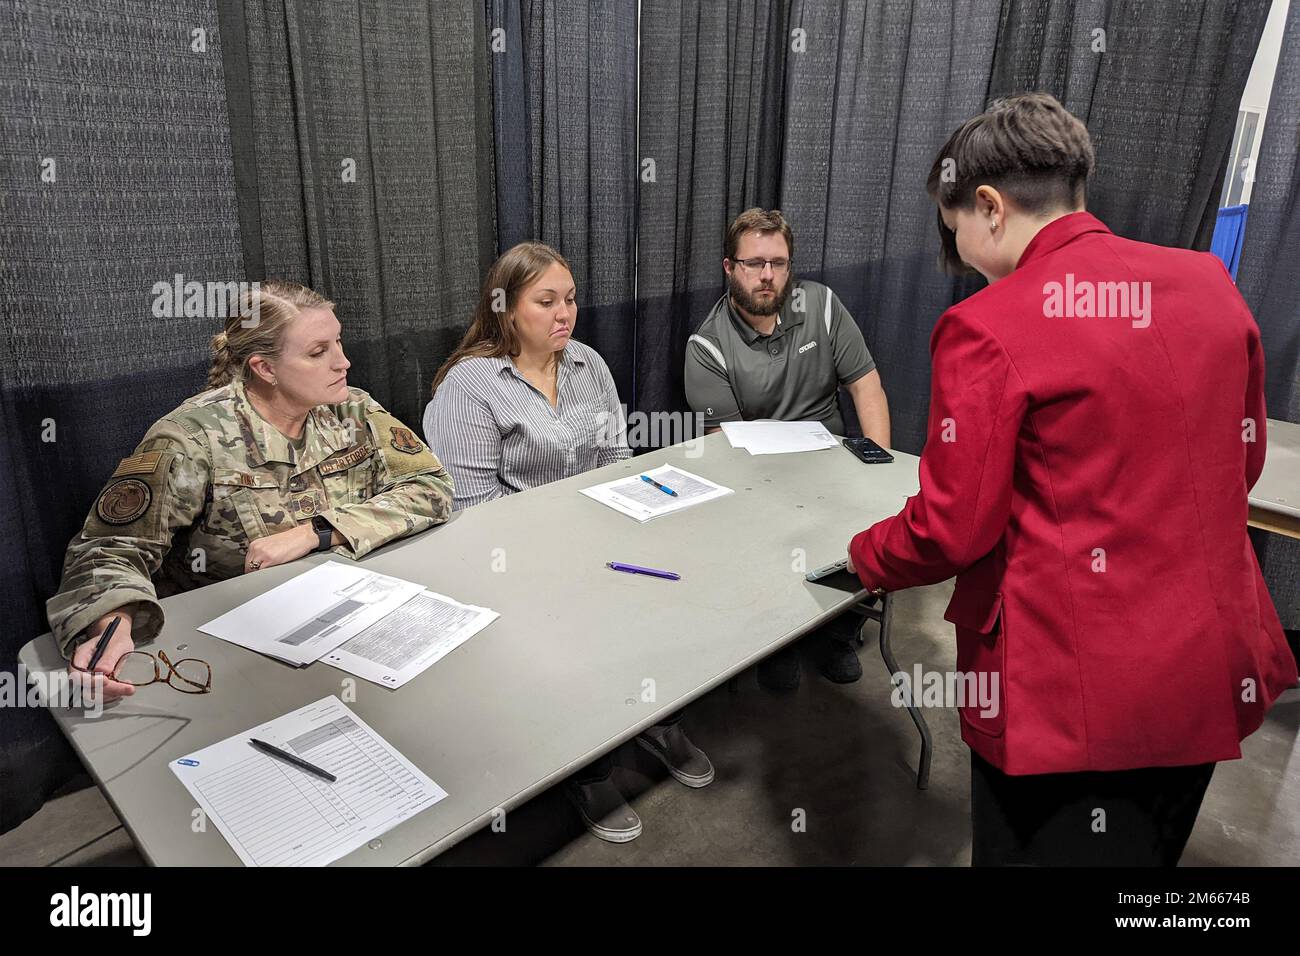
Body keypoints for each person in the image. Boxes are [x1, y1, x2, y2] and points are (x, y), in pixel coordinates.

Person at [846, 93, 1297, 866]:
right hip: (1206, 661)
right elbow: (1240, 462)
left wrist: (864, 555)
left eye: (953, 228)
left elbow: (953, 527)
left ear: (987, 205)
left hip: (1071, 687)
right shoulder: (1206, 283)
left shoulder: (989, 325)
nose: (955, 250)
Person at [424, 241, 714, 844]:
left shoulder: (587, 365)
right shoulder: (471, 385)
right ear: (506, 310)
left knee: (669, 591)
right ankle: (587, 769)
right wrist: (573, 540)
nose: (566, 314)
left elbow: (616, 462)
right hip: (516, 558)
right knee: (576, 632)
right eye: (547, 301)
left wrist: (640, 513)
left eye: (572, 300)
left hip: (599, 537)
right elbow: (473, 510)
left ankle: (658, 720)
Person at [48, 280, 454, 700]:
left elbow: (430, 486)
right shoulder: (190, 438)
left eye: (338, 342)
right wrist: (109, 623)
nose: (344, 362)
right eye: (319, 352)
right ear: (265, 368)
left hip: (348, 615)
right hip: (230, 644)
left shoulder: (352, 409)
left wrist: (317, 530)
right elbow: (107, 548)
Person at [684, 207, 891, 689]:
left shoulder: (821, 305)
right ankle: (777, 639)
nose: (767, 276)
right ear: (729, 267)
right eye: (754, 263)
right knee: (761, 535)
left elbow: (866, 387)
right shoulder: (706, 346)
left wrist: (878, 468)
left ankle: (840, 629)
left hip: (835, 463)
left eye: (778, 263)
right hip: (760, 478)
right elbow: (725, 449)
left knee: (870, 526)